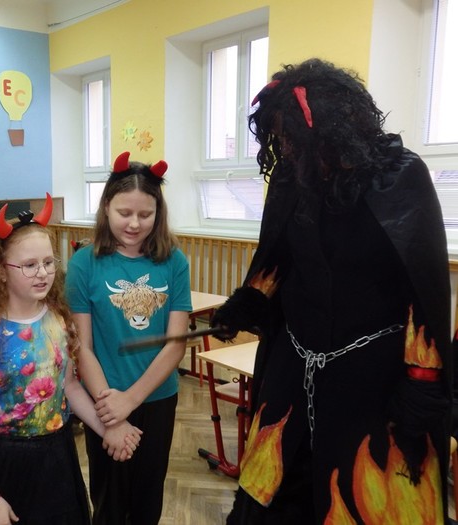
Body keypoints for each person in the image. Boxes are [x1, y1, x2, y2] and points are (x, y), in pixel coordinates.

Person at [209, 58, 452, 524]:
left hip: (371, 380)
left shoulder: (399, 176)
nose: (285, 150)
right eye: (280, 140)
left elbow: (422, 292)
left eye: (293, 139)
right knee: (273, 495)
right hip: (294, 362)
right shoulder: (293, 175)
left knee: (357, 497)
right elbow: (279, 255)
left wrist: (422, 383)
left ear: (334, 129)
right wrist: (249, 302)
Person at [0, 194, 142, 525]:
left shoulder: (58, 321)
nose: (43, 273)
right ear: (0, 271)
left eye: (49, 262)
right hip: (0, 464)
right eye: (29, 265)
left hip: (55, 460)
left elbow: (70, 387)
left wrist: (107, 427)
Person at [65, 152, 192, 525]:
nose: (135, 223)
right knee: (109, 500)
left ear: (158, 213)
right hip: (103, 399)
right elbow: (82, 347)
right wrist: (112, 413)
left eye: (145, 214)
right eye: (124, 212)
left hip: (157, 398)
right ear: (106, 207)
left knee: (147, 500)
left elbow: (176, 343)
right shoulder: (84, 263)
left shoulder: (174, 262)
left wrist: (131, 400)